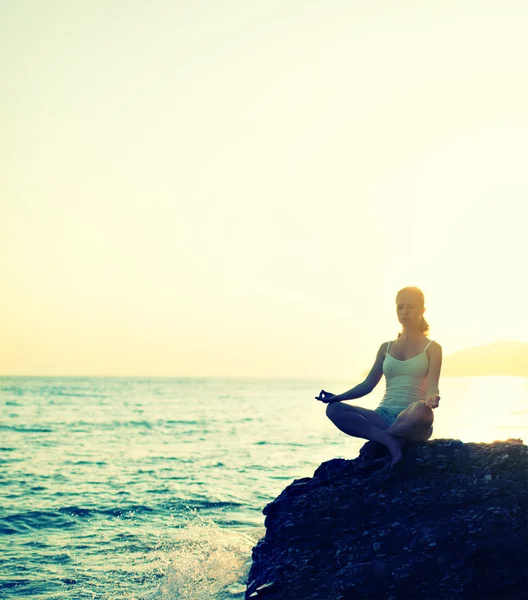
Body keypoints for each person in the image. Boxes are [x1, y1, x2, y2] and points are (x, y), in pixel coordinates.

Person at [316, 286, 442, 467]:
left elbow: (432, 385)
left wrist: (432, 398)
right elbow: (368, 384)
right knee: (334, 409)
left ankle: (386, 437)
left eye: (411, 307)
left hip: (413, 419)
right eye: (400, 307)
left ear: (422, 310)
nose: (405, 312)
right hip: (382, 416)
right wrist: (338, 397)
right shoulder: (386, 348)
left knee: (422, 410)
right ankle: (390, 440)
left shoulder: (432, 348)